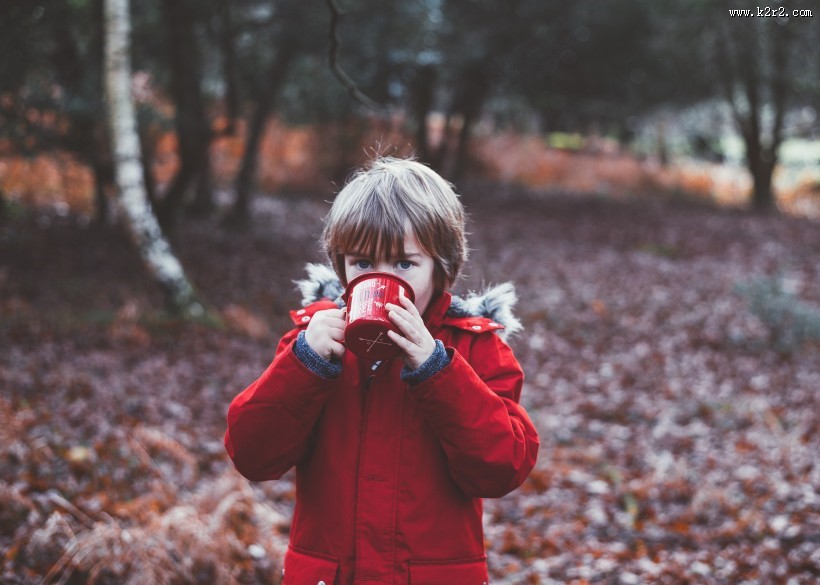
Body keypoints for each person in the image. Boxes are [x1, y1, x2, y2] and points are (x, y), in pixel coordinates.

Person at [225, 156, 540, 584]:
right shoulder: (313, 342)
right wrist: (306, 363)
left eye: (404, 264)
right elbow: (252, 454)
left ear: (441, 266)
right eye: (362, 263)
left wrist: (436, 370)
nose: (381, 277)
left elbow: (502, 467)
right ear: (341, 266)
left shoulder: (473, 347)